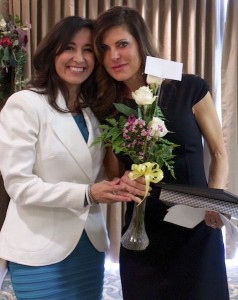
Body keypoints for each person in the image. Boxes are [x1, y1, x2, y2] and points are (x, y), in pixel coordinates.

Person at [0, 15, 140, 300]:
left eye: (88, 50)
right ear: (52, 53)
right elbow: (19, 185)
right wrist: (88, 194)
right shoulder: (25, 104)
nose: (79, 58)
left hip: (89, 246)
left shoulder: (92, 112)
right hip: (39, 249)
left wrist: (124, 181)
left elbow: (95, 174)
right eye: (69, 48)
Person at [93, 6, 229, 300]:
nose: (113, 56)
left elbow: (219, 152)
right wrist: (123, 180)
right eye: (104, 48)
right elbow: (114, 173)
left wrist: (215, 200)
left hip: (195, 226)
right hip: (142, 231)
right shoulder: (106, 106)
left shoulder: (188, 87)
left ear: (141, 44)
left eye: (122, 44)